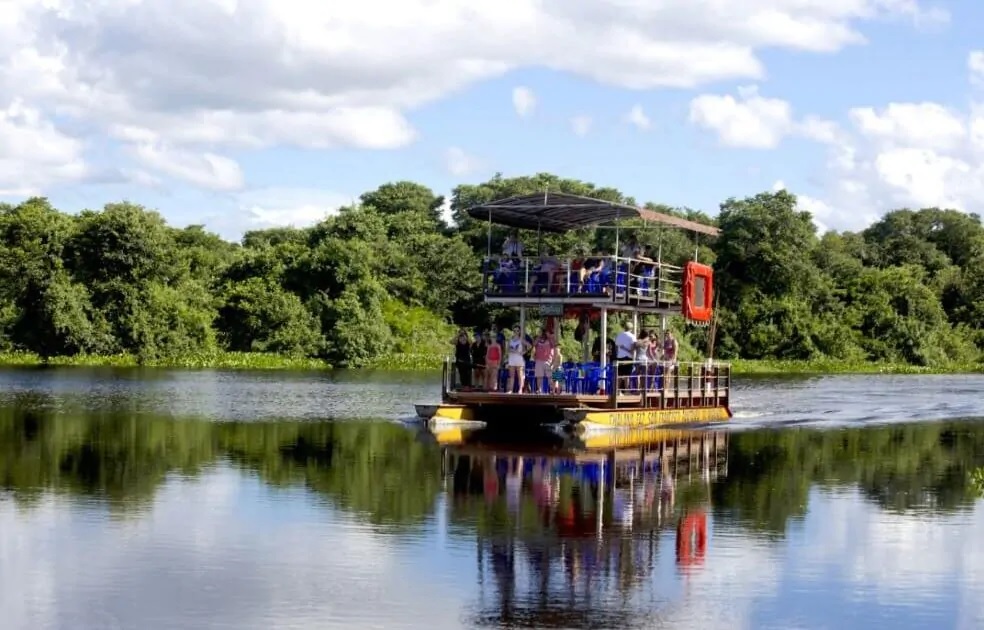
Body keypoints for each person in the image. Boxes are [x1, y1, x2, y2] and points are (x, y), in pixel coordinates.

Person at [505, 325, 530, 394]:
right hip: (511, 359)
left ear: (519, 331)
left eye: (517, 330)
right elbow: (507, 349)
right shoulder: (510, 339)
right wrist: (511, 350)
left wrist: (524, 352)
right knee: (511, 375)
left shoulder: (521, 339)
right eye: (514, 331)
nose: (516, 332)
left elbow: (529, 345)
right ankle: (511, 390)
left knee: (520, 375)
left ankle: (520, 389)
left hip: (519, 359)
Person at [614, 321, 637, 389]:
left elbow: (616, 346)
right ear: (631, 328)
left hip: (620, 357)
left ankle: (617, 391)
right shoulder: (632, 336)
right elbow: (633, 349)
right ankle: (627, 390)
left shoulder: (619, 335)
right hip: (628, 357)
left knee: (620, 375)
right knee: (627, 375)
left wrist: (620, 352)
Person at [532, 328, 554, 394]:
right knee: (539, 376)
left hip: (548, 360)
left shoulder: (550, 339)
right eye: (541, 332)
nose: (542, 334)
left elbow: (554, 345)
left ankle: (551, 390)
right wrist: (538, 337)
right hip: (539, 360)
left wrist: (549, 336)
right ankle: (539, 389)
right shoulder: (538, 339)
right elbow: (533, 344)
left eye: (543, 332)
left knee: (550, 376)